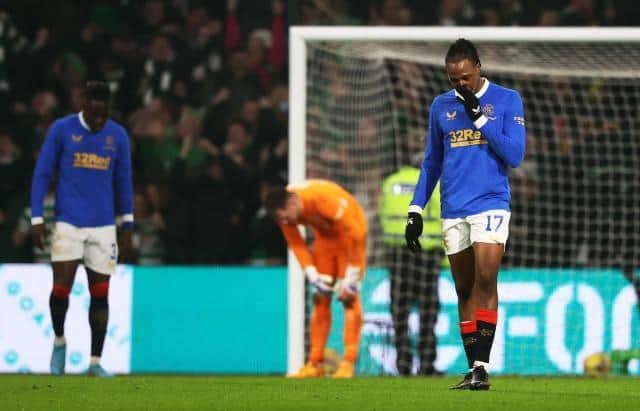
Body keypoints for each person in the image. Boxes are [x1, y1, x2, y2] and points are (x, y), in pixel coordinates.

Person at [405, 39, 526, 390]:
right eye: (453, 79)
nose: (460, 84)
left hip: (490, 202)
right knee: (463, 289)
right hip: (453, 207)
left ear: (478, 68)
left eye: (465, 77)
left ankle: (482, 368)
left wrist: (480, 118)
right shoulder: (440, 106)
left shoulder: (507, 100)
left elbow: (515, 155)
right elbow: (432, 161)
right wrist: (416, 209)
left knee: (486, 279)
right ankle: (474, 367)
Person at [30, 81, 134, 377]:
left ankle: (95, 361)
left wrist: (128, 224)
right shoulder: (61, 130)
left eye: (105, 115)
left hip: (103, 226)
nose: (100, 121)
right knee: (61, 289)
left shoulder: (118, 136)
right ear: (84, 104)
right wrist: (37, 218)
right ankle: (60, 340)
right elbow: (42, 174)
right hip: (68, 222)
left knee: (100, 293)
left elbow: (123, 181)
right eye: (95, 114)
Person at [265, 179, 367, 378]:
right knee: (319, 297)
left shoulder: (323, 198)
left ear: (294, 202)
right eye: (282, 220)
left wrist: (351, 278)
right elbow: (296, 243)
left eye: (286, 218)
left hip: (351, 240)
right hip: (325, 241)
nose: (286, 222)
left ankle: (348, 363)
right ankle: (314, 363)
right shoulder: (283, 212)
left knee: (349, 298)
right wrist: (312, 275)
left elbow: (356, 233)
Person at [379, 167, 443, 376]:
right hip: (426, 253)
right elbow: (444, 215)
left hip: (398, 253)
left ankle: (403, 364)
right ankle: (427, 365)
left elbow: (382, 214)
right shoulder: (434, 181)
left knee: (399, 312)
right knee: (428, 312)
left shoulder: (390, 182)